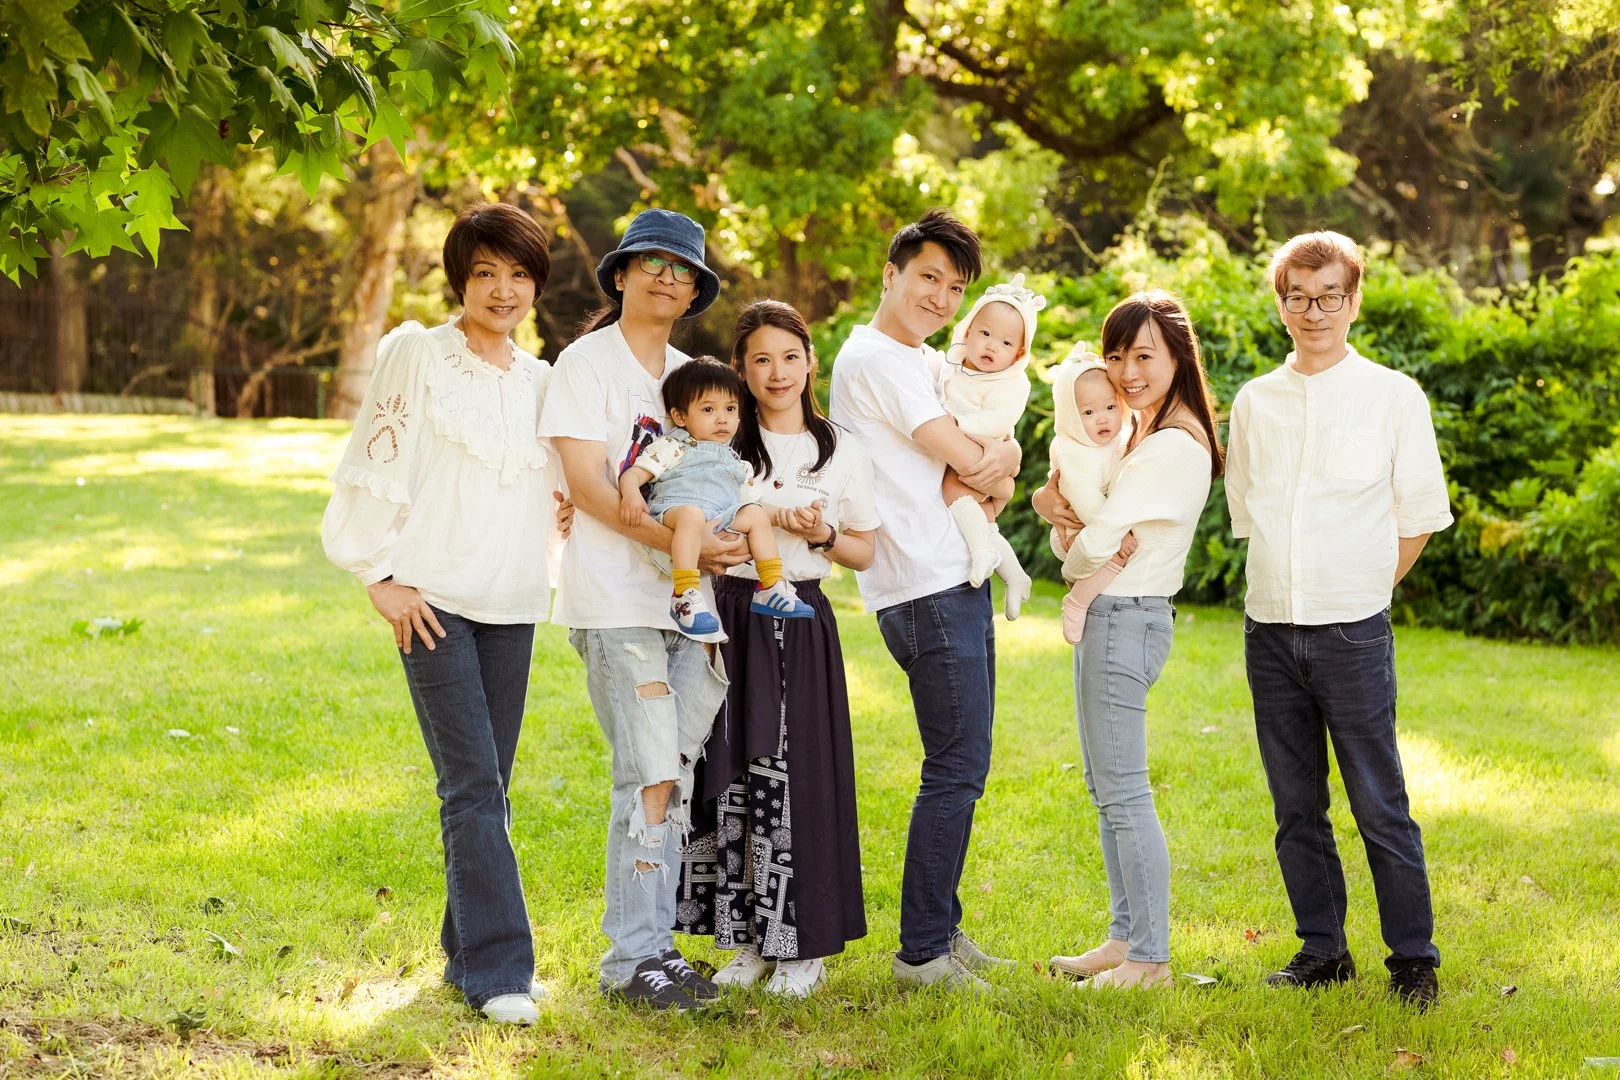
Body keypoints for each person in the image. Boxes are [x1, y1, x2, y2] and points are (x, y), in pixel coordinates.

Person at [320, 202, 557, 1024]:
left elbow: (558, 491)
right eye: (486, 272)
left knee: (492, 784)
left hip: (513, 599)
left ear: (537, 286)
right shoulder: (418, 354)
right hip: (434, 601)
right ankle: (500, 972)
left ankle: (465, 957)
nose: (502, 289)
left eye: (519, 274)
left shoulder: (544, 382)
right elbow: (370, 458)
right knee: (469, 784)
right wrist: (377, 574)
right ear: (460, 277)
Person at [1225, 231, 1453, 1009]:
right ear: (1280, 302)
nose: (1313, 310)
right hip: (1269, 631)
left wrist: (1361, 588)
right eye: (1298, 296)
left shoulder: (1393, 396)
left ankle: (1413, 961)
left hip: (1353, 631)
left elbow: (1418, 516)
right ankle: (1322, 951)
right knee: (1296, 808)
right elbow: (1248, 512)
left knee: (1379, 804)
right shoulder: (1255, 401)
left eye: (1329, 296)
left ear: (1354, 300)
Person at [540, 208, 744, 1011]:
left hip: (691, 611)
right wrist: (673, 536)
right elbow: (589, 488)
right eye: (651, 261)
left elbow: (729, 475)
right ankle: (633, 962)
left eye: (682, 268)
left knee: (677, 771)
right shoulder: (584, 365)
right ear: (620, 274)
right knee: (649, 772)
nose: (667, 275)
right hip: (617, 603)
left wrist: (730, 544)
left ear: (695, 290)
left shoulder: (697, 377)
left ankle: (654, 952)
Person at [828, 208, 1021, 991]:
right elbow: (968, 462)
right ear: (891, 274)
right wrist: (1002, 456)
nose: (940, 297)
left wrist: (995, 465)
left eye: (954, 286)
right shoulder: (876, 358)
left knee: (963, 764)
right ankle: (922, 955)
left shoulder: (917, 360)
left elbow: (982, 470)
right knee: (955, 765)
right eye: (928, 278)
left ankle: (942, 927)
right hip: (923, 586)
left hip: (949, 576)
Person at [675, 299, 878, 998]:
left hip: (797, 616)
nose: (777, 372)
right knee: (725, 768)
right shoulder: (722, 441)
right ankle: (745, 940)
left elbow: (864, 550)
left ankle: (804, 945)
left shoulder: (842, 448)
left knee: (797, 775)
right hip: (730, 610)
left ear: (811, 361)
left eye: (790, 356)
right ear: (741, 369)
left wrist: (820, 534)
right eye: (760, 359)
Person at [1033, 290, 1223, 989]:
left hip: (1125, 614)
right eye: (1116, 355)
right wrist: (1056, 512)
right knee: (1105, 786)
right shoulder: (1138, 435)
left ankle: (1150, 960)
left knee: (1124, 793)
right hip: (1114, 615)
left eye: (1144, 354)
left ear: (1177, 355)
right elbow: (1087, 523)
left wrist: (1069, 544)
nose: (1128, 370)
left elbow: (1097, 545)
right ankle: (1125, 939)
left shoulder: (1171, 446)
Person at [617, 357, 816, 640]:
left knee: (755, 514)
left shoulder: (737, 464)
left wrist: (790, 515)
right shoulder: (674, 446)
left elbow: (754, 503)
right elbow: (634, 474)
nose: (722, 418)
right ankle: (684, 594)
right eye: (708, 409)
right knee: (692, 515)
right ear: (681, 416)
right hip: (673, 518)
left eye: (730, 408)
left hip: (717, 524)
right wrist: (631, 495)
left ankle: (770, 585)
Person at [936, 274, 1041, 621]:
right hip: (971, 453)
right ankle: (1015, 576)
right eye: (985, 334)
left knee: (953, 489)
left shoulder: (1012, 382)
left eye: (1006, 343)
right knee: (987, 523)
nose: (991, 346)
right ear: (967, 331)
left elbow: (998, 421)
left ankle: (981, 552)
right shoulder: (951, 364)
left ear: (1019, 353)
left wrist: (956, 427)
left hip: (985, 449)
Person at [1047, 349, 1135, 643]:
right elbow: (1082, 496)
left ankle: (1080, 585)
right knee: (1119, 553)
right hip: (1076, 527)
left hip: (1098, 526)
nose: (1102, 419)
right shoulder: (1071, 449)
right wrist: (1118, 533)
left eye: (1110, 407)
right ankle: (1077, 600)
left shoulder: (1119, 439)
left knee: (1115, 554)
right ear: (1070, 417)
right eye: (1088, 412)